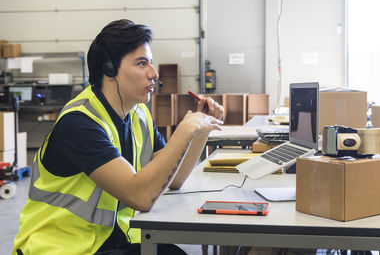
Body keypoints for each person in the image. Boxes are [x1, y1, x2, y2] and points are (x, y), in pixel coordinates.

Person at [13, 19, 224, 255]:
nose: (153, 74)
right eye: (142, 63)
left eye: (151, 63)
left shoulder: (138, 114)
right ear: (109, 69)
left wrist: (201, 131)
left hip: (110, 241)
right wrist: (184, 130)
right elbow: (142, 197)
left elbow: (173, 179)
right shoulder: (80, 123)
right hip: (64, 248)